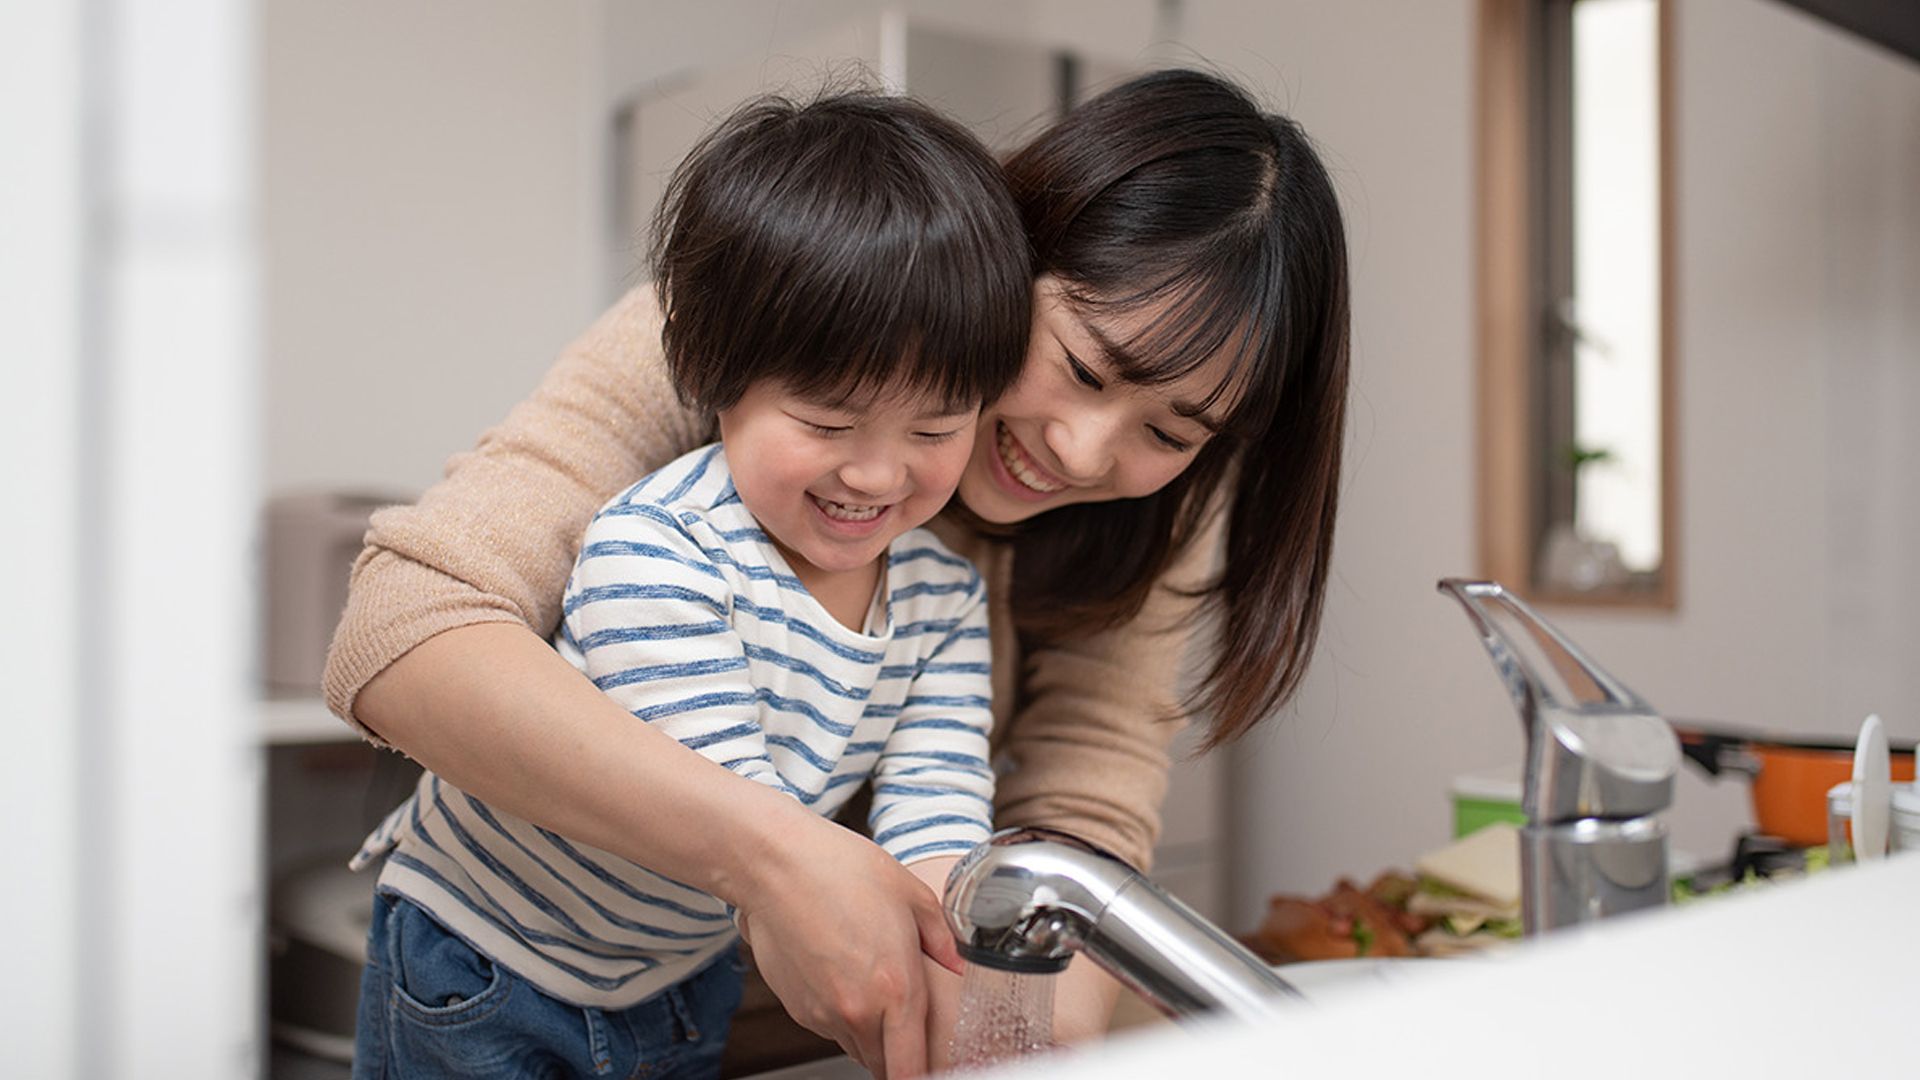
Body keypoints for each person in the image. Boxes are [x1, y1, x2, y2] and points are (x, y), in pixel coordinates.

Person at [326, 67, 1351, 1079]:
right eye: (1083, 366)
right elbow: (407, 628)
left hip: (810, 1015)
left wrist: (1018, 1031)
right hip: (529, 965)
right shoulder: (771, 318)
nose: (1085, 451)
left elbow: (1080, 788)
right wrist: (772, 860)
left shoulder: (1049, 553)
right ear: (1007, 264)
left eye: (1171, 429)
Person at [344, 90, 1030, 1080]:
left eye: (935, 430)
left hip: (674, 971)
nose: (878, 474)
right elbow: (738, 806)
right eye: (830, 424)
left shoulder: (943, 602)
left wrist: (950, 965)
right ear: (715, 378)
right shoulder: (658, 546)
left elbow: (937, 803)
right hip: (486, 955)